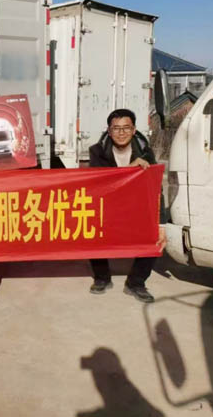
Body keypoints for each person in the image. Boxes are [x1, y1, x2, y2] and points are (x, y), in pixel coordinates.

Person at [88, 108, 166, 303]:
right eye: (116, 128)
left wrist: (161, 224)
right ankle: (102, 278)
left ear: (134, 130)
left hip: (134, 206)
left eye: (126, 128)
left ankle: (136, 283)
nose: (121, 133)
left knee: (154, 237)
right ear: (109, 131)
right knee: (91, 228)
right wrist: (130, 169)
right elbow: (101, 184)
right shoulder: (97, 151)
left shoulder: (146, 152)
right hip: (108, 205)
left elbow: (155, 188)